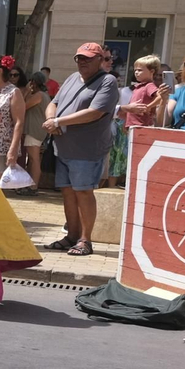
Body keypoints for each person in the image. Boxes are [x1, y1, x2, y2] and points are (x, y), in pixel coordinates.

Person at [43, 43, 119, 258]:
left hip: (87, 150)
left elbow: (95, 112)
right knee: (68, 192)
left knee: (83, 192)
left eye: (88, 58)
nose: (82, 62)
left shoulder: (108, 81)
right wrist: (51, 119)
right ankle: (71, 236)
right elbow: (54, 102)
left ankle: (85, 240)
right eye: (79, 58)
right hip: (63, 148)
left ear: (100, 60)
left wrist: (58, 122)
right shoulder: (71, 78)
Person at [16, 71, 50, 193]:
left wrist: (25, 91)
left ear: (34, 82)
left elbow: (22, 106)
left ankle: (33, 186)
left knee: (34, 159)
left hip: (34, 130)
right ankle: (30, 184)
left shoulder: (39, 95)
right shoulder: (44, 95)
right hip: (37, 130)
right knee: (32, 159)